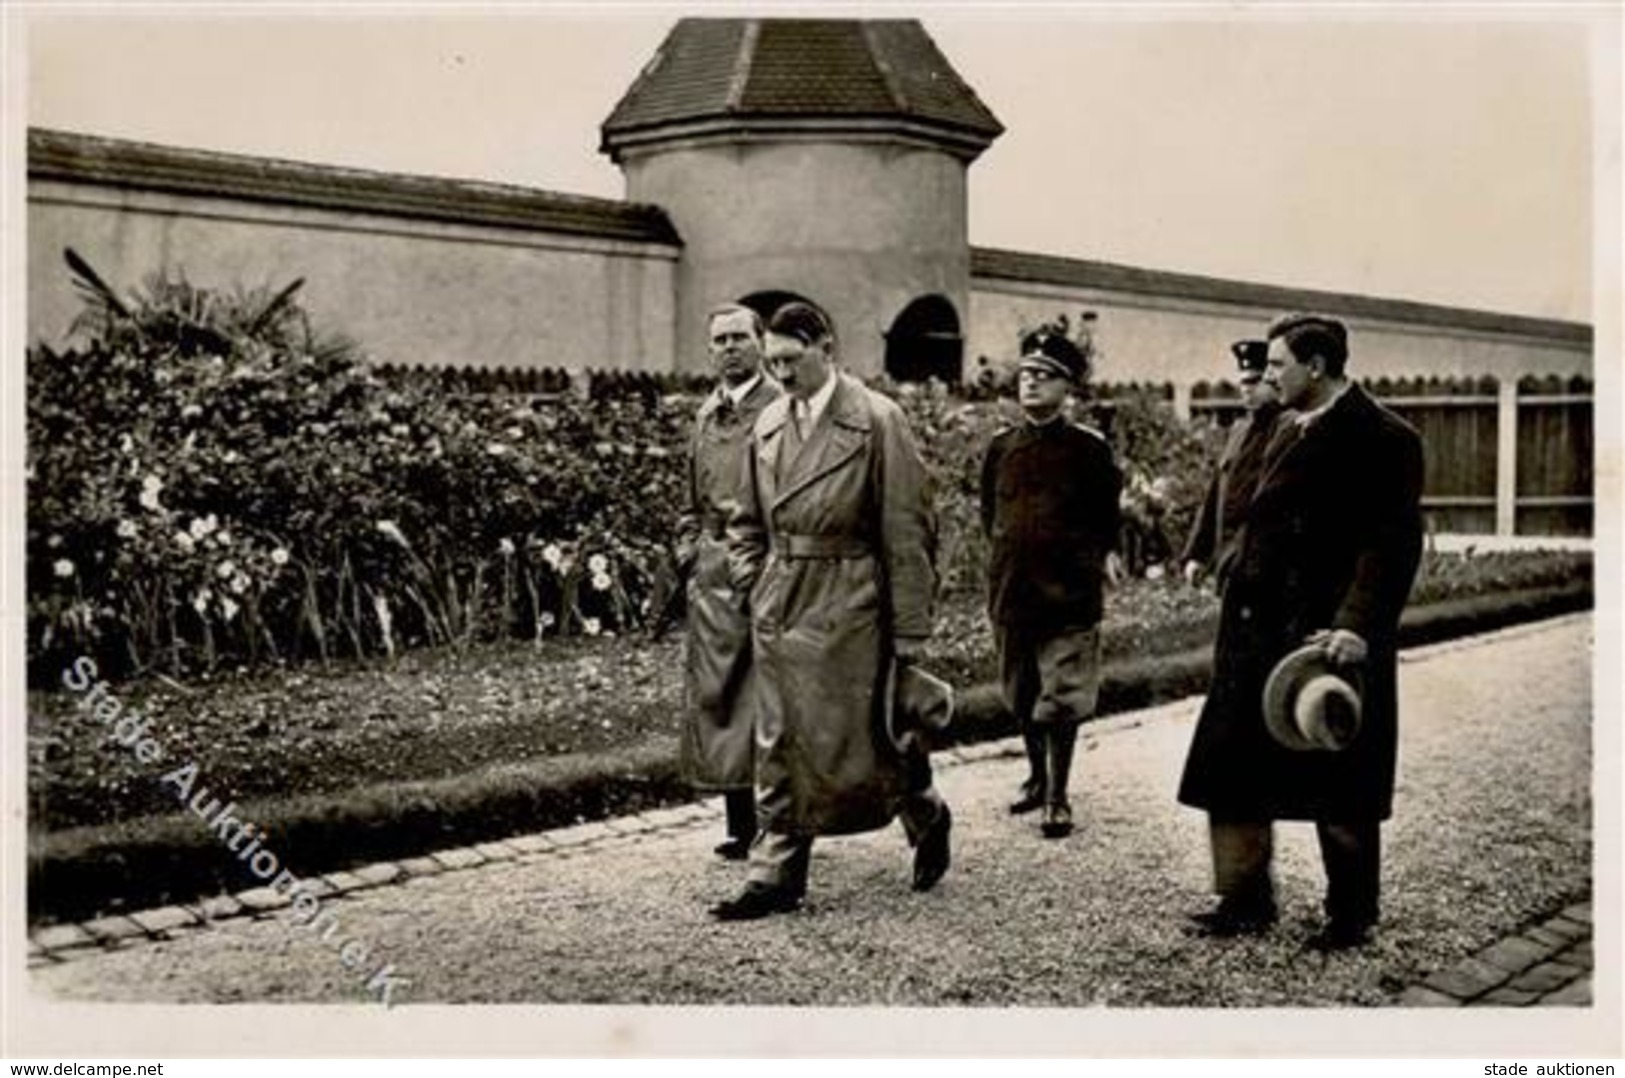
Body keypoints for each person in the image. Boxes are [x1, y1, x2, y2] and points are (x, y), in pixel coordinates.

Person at [1176, 313, 1424, 951]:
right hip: (1253, 632)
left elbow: (1389, 545)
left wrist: (1356, 627)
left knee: (1339, 778)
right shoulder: (1281, 425)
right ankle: (1243, 899)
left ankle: (1350, 914)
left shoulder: (1385, 437)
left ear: (1315, 367)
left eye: (1279, 364)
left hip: (1325, 639)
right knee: (1230, 769)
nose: (1268, 374)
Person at [711, 299, 951, 920]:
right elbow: (743, 522)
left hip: (852, 608)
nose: (782, 376)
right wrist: (753, 579)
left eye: (792, 361)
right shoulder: (765, 427)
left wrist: (909, 634)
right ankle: (776, 876)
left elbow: (908, 532)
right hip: (781, 601)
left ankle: (926, 816)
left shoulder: (877, 421)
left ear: (827, 349)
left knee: (870, 744)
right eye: (774, 363)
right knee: (778, 741)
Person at [979, 330, 1121, 838]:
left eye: (1044, 376)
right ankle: (1036, 777)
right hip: (1013, 591)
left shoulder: (1089, 449)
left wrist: (1086, 565)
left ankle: (1058, 796)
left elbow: (1106, 522)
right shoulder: (1001, 447)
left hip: (1067, 595)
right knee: (1021, 693)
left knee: (1061, 696)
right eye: (1025, 375)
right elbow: (989, 516)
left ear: (1069, 389)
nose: (1031, 383)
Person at [676, 303, 782, 860]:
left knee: (766, 696)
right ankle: (740, 825)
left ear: (760, 343)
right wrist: (690, 546)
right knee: (719, 694)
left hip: (764, 565)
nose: (730, 348)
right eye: (720, 340)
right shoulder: (706, 413)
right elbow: (691, 497)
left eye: (740, 337)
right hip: (713, 572)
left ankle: (779, 820)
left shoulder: (781, 409)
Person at [1180, 338, 1284, 590]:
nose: (1246, 389)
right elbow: (1216, 495)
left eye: (1254, 381)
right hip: (1229, 566)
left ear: (1273, 382)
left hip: (1268, 569)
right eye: (1243, 382)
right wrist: (1196, 554)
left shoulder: (1287, 430)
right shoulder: (1238, 430)